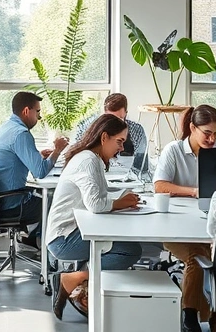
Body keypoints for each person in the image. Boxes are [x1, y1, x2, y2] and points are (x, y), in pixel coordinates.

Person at [47, 114, 143, 320]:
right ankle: (72, 279)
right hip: (64, 239)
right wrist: (121, 203)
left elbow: (102, 194)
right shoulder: (88, 161)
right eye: (119, 142)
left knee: (127, 243)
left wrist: (124, 198)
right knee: (130, 250)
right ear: (104, 137)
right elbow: (96, 204)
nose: (121, 148)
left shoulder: (93, 158)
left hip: (73, 231)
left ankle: (81, 284)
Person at [153, 104, 216, 332]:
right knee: (198, 254)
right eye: (207, 132)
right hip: (177, 225)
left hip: (213, 221)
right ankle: (193, 316)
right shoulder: (174, 150)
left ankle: (213, 311)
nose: (212, 138)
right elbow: (160, 186)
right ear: (192, 128)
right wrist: (196, 191)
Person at [0, 91, 68, 246]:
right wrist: (58, 150)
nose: (39, 117)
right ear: (26, 111)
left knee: (46, 193)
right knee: (55, 198)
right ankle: (47, 250)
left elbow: (15, 159)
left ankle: (31, 238)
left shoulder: (7, 127)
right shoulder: (21, 134)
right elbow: (40, 172)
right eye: (37, 112)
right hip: (10, 204)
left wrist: (38, 156)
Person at [72, 93, 149, 171]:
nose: (114, 123)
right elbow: (78, 158)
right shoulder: (87, 127)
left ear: (126, 113)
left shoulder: (137, 131)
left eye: (119, 119)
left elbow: (141, 166)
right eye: (109, 118)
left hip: (124, 177)